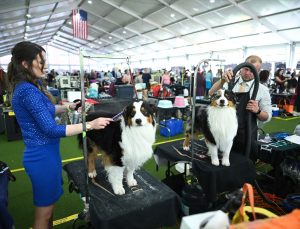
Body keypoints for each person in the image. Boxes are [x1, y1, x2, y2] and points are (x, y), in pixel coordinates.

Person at [7, 41, 112, 229]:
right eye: (40, 61)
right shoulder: (27, 91)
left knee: (49, 212)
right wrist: (90, 125)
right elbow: (51, 129)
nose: (45, 65)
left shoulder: (29, 87)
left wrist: (68, 106)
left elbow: (45, 110)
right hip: (41, 158)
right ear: (25, 64)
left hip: (48, 154)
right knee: (43, 214)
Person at [209, 55, 272, 160]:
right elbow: (211, 93)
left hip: (246, 135)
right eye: (246, 69)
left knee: (244, 166)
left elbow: (267, 116)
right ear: (242, 67)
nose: (247, 73)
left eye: (252, 70)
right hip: (225, 132)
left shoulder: (262, 90)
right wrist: (222, 80)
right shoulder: (230, 82)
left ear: (258, 71)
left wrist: (258, 111)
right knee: (224, 164)